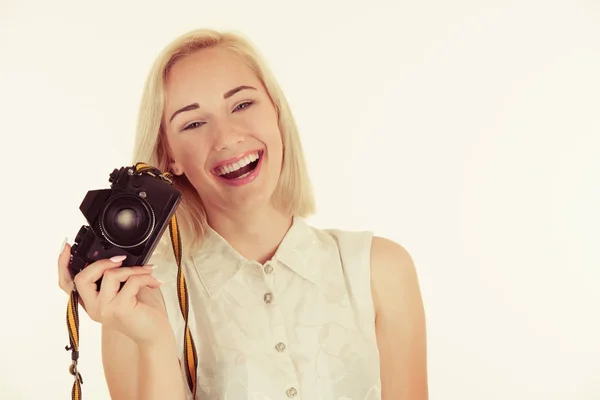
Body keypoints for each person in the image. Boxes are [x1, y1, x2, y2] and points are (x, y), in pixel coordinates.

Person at [57, 28, 428, 400]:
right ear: (170, 157)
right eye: (194, 123)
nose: (227, 137)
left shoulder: (379, 270)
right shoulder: (136, 301)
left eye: (242, 105)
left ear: (277, 112)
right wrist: (153, 340)